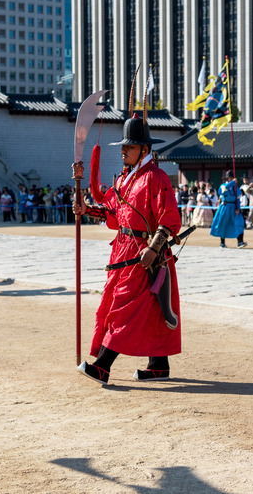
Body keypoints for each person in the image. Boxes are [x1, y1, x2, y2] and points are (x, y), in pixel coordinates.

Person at [74, 111, 183, 385]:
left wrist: (153, 248)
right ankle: (158, 365)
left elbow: (170, 219)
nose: (123, 151)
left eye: (130, 146)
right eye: (123, 146)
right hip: (122, 249)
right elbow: (112, 213)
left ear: (144, 149)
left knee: (125, 308)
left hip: (145, 254)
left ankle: (103, 366)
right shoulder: (124, 179)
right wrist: (87, 209)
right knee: (146, 310)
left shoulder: (156, 178)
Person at [210, 170, 247, 248]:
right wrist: (233, 183)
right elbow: (223, 191)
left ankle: (240, 242)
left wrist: (238, 208)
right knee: (223, 223)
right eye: (229, 178)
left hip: (234, 207)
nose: (230, 179)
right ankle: (222, 243)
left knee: (239, 223)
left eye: (231, 178)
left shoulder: (235, 187)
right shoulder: (223, 185)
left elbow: (237, 198)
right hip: (225, 207)